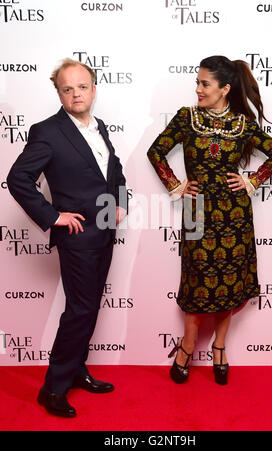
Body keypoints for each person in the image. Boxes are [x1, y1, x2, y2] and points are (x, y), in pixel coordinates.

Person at [147, 55, 272, 386]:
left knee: (230, 283)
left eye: (204, 83)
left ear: (224, 88)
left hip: (234, 215)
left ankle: (220, 347)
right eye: (197, 82)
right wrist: (176, 185)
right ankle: (188, 346)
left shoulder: (243, 124)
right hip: (196, 211)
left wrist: (252, 181)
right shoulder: (186, 118)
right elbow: (156, 152)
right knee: (197, 282)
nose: (197, 89)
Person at [7, 58, 127, 417]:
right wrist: (53, 216)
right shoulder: (48, 131)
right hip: (77, 237)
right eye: (67, 88)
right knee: (79, 310)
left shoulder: (98, 126)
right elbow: (18, 180)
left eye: (82, 86)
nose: (76, 93)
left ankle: (76, 369)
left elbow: (113, 169)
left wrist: (120, 201)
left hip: (104, 231)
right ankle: (53, 387)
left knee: (88, 308)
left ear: (94, 88)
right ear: (58, 93)